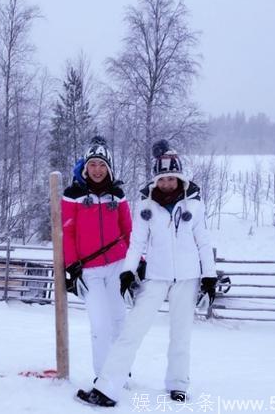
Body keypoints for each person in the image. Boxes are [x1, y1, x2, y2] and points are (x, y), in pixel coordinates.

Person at [76, 139, 218, 407]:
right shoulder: (145, 206)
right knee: (132, 331)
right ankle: (107, 387)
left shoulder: (194, 206)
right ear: (156, 179)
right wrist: (128, 273)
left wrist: (208, 277)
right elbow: (136, 243)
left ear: (179, 179)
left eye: (171, 179)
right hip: (155, 277)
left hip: (187, 278)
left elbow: (203, 242)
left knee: (181, 333)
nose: (166, 183)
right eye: (162, 179)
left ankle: (178, 384)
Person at [62, 136, 133, 378]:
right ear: (85, 166)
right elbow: (67, 231)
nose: (97, 170)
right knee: (100, 326)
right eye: (93, 164)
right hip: (88, 270)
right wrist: (72, 267)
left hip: (117, 265)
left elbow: (128, 230)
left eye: (102, 165)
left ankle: (121, 371)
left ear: (109, 166)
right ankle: (104, 377)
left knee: (119, 321)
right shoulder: (73, 194)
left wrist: (136, 263)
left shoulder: (118, 194)